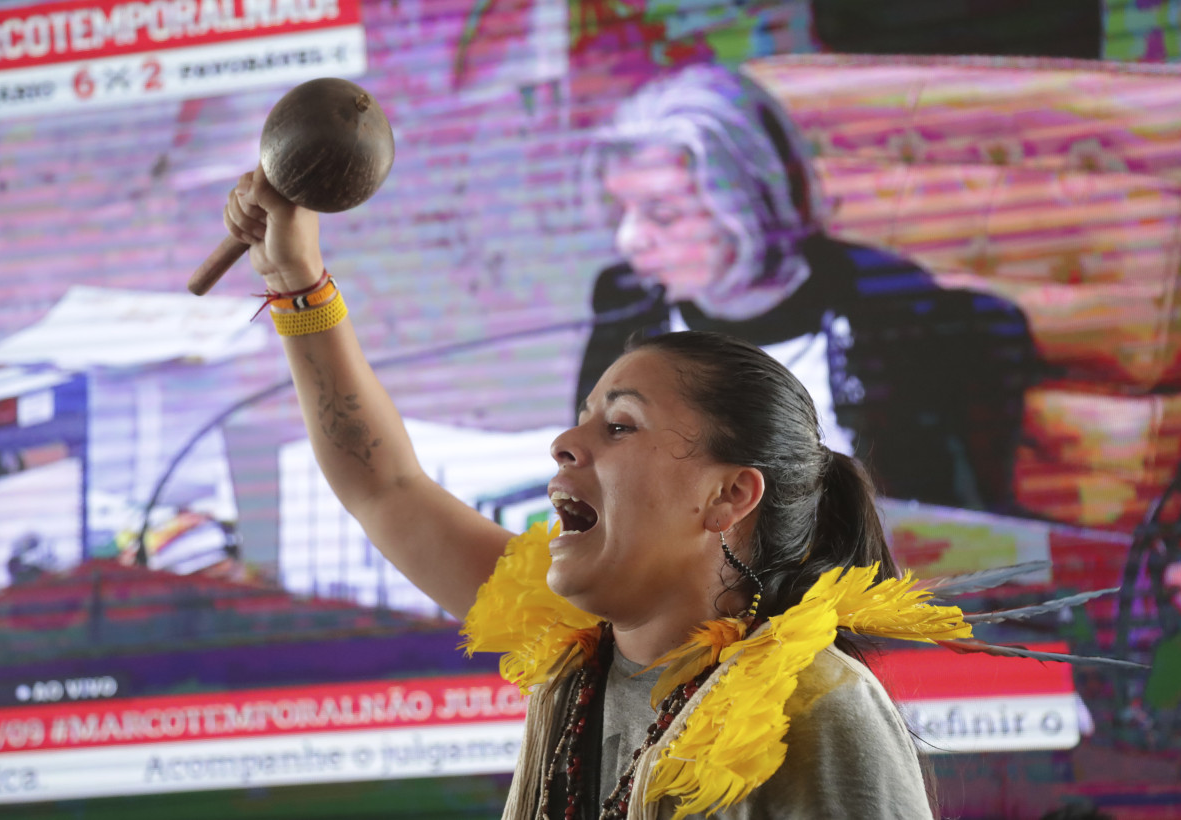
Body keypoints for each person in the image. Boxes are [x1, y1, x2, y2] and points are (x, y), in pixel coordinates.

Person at [221, 168, 993, 819]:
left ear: (729, 497)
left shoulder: (821, 706)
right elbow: (383, 483)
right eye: (583, 415)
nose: (567, 442)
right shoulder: (574, 650)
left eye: (619, 425)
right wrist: (295, 279)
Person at [577, 64, 1040, 513]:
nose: (629, 240)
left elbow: (939, 516)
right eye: (623, 210)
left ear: (753, 201)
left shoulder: (892, 306)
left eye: (663, 214)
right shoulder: (626, 299)